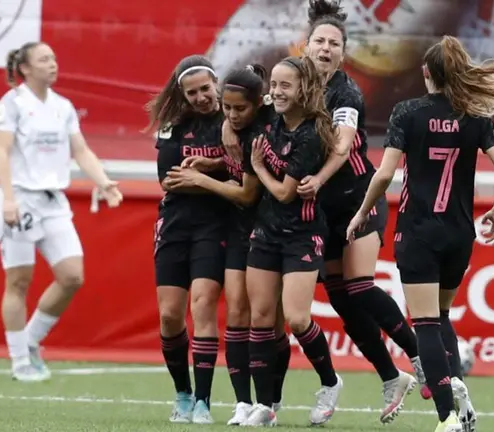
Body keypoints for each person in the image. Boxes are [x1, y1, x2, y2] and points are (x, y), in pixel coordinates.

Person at [347, 35, 494, 432]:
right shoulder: (476, 116)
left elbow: (386, 174)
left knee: (423, 323)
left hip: (419, 231)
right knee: (441, 317)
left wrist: (361, 212)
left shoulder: (407, 112)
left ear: (425, 73)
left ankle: (447, 418)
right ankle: (459, 394)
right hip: (460, 233)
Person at [296, 0, 429, 421]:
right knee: (340, 300)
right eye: (319, 40)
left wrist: (317, 175)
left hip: (360, 198)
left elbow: (342, 142)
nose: (326, 48)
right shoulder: (292, 85)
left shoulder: (346, 91)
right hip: (323, 212)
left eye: (334, 43)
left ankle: (420, 355)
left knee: (358, 286)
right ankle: (392, 376)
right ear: (306, 44)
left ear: (343, 51)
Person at [0, 41, 123, 382]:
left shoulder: (63, 106)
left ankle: (31, 341)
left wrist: (104, 182)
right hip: (19, 197)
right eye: (44, 59)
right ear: (26, 68)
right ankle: (19, 361)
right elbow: (2, 152)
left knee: (72, 275)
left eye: (54, 58)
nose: (52, 64)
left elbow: (81, 151)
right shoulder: (13, 103)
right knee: (18, 280)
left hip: (53, 202)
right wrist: (8, 198)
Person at [165, 65, 291, 425]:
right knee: (236, 309)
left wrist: (200, 178)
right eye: (228, 109)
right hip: (238, 228)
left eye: (238, 109)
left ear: (257, 104)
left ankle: (274, 398)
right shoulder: (230, 124)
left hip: (272, 225)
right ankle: (242, 403)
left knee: (279, 320)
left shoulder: (267, 124)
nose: (231, 114)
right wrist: (215, 160)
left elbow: (248, 194)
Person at [243, 56, 341, 427]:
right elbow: (237, 108)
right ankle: (265, 405)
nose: (277, 92)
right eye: (275, 85)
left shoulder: (312, 133)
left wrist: (259, 169)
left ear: (304, 89)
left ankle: (330, 383)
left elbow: (285, 193)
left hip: (302, 234)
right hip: (266, 233)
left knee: (298, 319)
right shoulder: (271, 119)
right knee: (262, 319)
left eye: (286, 85)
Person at [147, 54, 229, 424]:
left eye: (205, 89)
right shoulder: (172, 124)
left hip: (216, 225)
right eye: (192, 92)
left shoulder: (233, 120)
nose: (200, 97)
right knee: (168, 316)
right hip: (176, 225)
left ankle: (203, 401)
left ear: (217, 85)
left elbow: (242, 172)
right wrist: (218, 179)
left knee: (203, 306)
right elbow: (168, 178)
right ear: (182, 93)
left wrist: (205, 172)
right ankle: (182, 392)